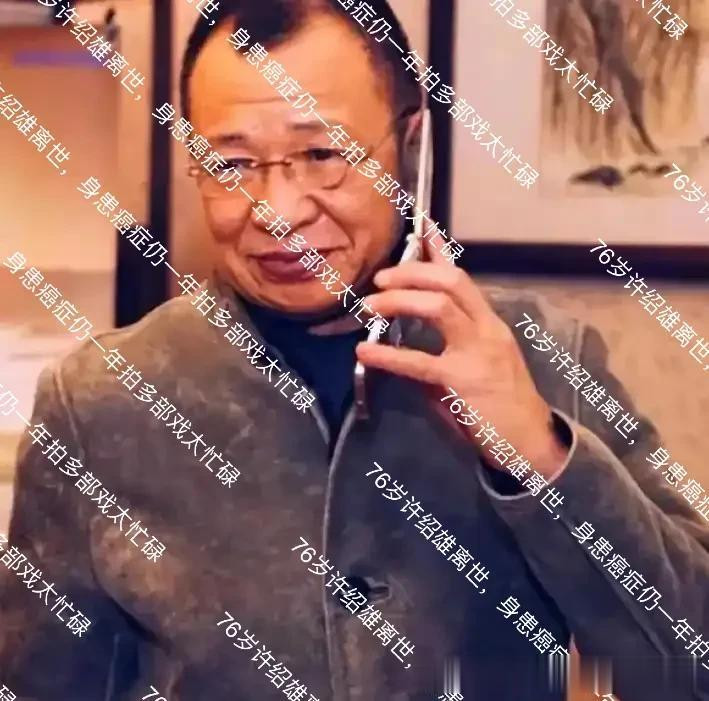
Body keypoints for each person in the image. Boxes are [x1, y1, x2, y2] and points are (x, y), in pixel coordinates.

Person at [1, 1, 708, 699]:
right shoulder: (100, 402)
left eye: (322, 154)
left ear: (411, 145)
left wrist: (541, 454)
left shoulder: (543, 355)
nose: (278, 210)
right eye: (231, 163)